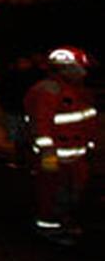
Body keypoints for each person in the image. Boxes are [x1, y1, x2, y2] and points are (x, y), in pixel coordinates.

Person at [23, 46, 98, 245]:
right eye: (79, 68)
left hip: (75, 157)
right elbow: (40, 125)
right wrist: (47, 153)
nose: (84, 73)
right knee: (51, 193)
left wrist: (89, 148)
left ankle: (62, 222)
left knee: (71, 193)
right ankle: (47, 227)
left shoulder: (79, 91)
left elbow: (87, 122)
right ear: (66, 69)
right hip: (55, 157)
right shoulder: (47, 91)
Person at [0, 55, 43, 166]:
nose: (22, 64)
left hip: (29, 111)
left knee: (29, 137)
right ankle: (20, 159)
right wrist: (5, 105)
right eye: (20, 62)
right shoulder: (11, 75)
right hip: (14, 109)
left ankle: (32, 161)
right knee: (17, 137)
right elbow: (4, 90)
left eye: (25, 62)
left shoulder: (35, 77)